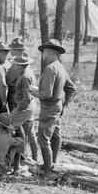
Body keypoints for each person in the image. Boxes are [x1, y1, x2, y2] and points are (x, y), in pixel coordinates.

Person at [30, 39, 77, 180]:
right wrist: (64, 104)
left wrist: (34, 92)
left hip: (49, 107)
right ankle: (53, 164)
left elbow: (47, 94)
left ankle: (48, 172)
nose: (42, 55)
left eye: (43, 52)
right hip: (56, 106)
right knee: (55, 135)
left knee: (43, 139)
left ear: (50, 53)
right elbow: (71, 88)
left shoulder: (51, 68)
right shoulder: (60, 67)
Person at [9, 52, 38, 162]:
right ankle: (28, 157)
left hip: (25, 108)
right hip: (26, 107)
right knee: (30, 133)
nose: (13, 66)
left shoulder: (26, 77)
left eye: (15, 65)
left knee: (9, 126)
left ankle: (21, 159)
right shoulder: (24, 73)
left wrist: (17, 111)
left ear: (21, 66)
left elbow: (27, 98)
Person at [6, 37, 26, 111]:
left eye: (11, 49)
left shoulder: (16, 63)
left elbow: (8, 79)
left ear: (16, 50)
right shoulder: (24, 60)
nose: (10, 51)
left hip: (15, 95)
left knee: (15, 117)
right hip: (22, 95)